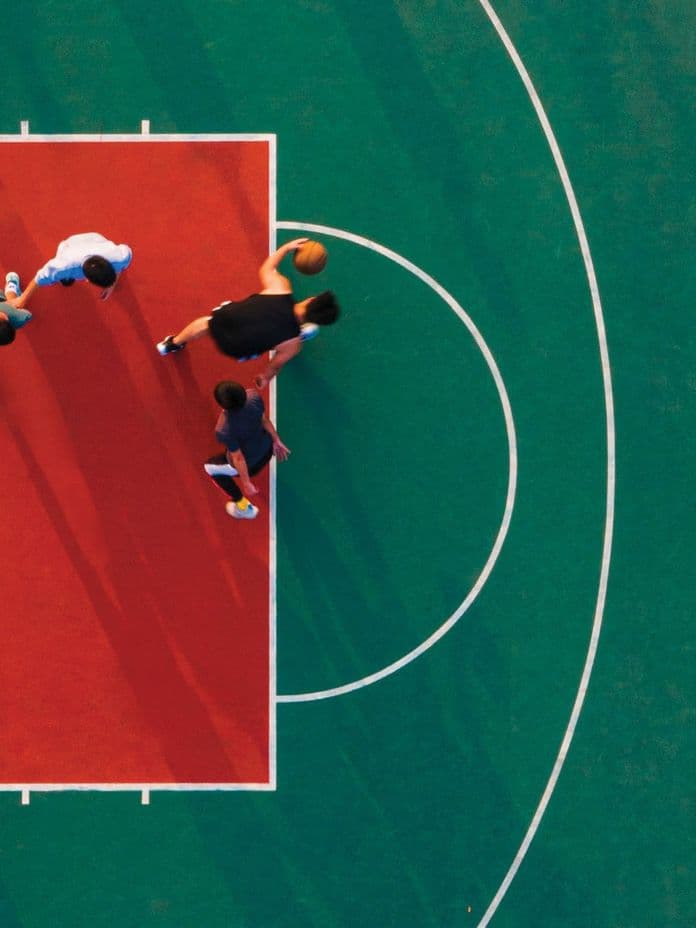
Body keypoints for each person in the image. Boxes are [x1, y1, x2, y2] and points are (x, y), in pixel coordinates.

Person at [157, 238, 340, 389]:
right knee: (281, 341)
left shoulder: (280, 287)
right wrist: (265, 378)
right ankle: (297, 330)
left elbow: (267, 268)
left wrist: (286, 248)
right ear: (316, 321)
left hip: (225, 321)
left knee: (206, 323)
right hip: (236, 348)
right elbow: (274, 366)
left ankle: (173, 343)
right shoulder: (293, 346)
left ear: (310, 299)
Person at [204, 380, 290, 520]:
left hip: (252, 466)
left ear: (222, 405)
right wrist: (276, 440)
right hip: (267, 450)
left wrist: (246, 483)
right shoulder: (254, 397)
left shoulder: (223, 429)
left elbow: (238, 458)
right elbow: (264, 420)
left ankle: (242, 505)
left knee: (209, 468)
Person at [4, 232, 132, 309]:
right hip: (70, 244)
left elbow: (124, 254)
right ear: (86, 279)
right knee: (64, 280)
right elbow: (39, 278)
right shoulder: (63, 265)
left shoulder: (120, 257)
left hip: (95, 238)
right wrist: (22, 299)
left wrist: (112, 283)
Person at [0, 274, 32, 346]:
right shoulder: (18, 317)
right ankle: (12, 284)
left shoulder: (18, 318)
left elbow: (28, 314)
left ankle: (12, 284)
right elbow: (28, 314)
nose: (4, 316)